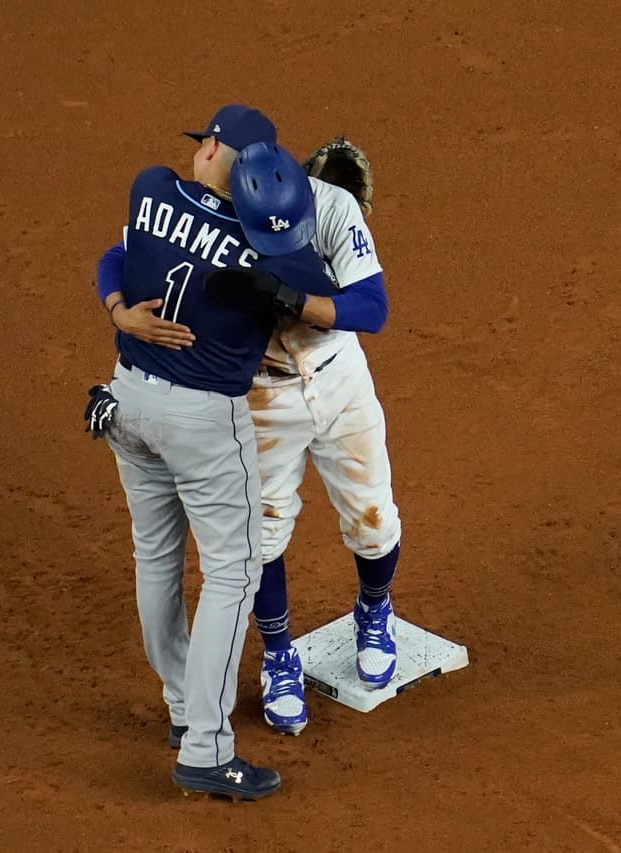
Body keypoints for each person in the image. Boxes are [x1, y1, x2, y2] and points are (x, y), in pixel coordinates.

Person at [106, 137, 402, 738]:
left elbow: (372, 308)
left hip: (338, 377)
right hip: (261, 395)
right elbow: (120, 252)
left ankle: (375, 609)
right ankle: (279, 653)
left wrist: (292, 297)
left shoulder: (330, 205)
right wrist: (119, 310)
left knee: (374, 521)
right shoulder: (204, 210)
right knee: (260, 536)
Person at [87, 104, 331, 800]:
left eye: (208, 141)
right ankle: (207, 745)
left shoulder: (150, 189)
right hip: (201, 421)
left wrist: (115, 310)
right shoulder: (271, 251)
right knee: (232, 571)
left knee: (156, 554)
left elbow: (119, 254)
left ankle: (181, 707)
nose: (198, 149)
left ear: (217, 149)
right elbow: (321, 290)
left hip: (126, 400)